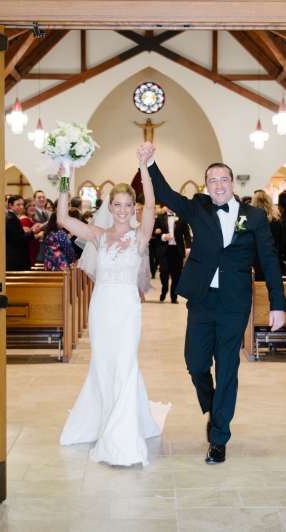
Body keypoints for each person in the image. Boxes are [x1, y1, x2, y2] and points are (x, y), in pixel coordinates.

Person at [141, 141, 286, 465]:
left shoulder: (254, 217)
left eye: (223, 179)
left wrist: (278, 304)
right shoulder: (199, 208)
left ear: (232, 183)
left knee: (228, 367)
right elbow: (166, 194)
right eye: (212, 180)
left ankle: (219, 437)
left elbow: (269, 260)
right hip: (202, 299)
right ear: (206, 185)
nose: (218, 185)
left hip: (234, 302)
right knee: (195, 363)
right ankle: (212, 405)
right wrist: (150, 164)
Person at [58, 157, 170, 467]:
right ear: (109, 206)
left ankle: (122, 434)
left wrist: (145, 167)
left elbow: (151, 205)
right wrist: (65, 175)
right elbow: (63, 218)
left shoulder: (140, 236)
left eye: (127, 205)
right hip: (102, 307)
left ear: (133, 208)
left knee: (125, 362)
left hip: (127, 308)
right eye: (117, 204)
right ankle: (104, 417)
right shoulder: (98, 235)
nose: (122, 210)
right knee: (104, 362)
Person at [154, 207, 191, 303]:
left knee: (176, 275)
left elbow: (187, 234)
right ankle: (164, 289)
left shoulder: (182, 217)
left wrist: (188, 248)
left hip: (177, 251)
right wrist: (163, 236)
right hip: (164, 251)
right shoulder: (160, 218)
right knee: (164, 273)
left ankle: (174, 297)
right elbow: (155, 232)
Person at [5, 195, 33, 271]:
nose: (21, 207)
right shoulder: (11, 219)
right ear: (10, 205)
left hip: (16, 258)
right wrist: (32, 232)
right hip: (16, 259)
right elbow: (18, 239)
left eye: (22, 204)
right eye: (18, 204)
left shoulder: (12, 217)